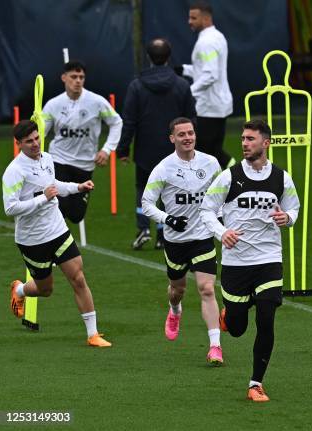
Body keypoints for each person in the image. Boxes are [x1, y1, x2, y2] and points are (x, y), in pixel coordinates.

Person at [201, 120, 300, 402]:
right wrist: (223, 232)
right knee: (238, 328)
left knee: (267, 317)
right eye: (243, 138)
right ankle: (227, 317)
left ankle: (255, 384)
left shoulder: (282, 178)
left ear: (266, 143)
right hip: (236, 263)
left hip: (269, 258)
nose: (244, 143)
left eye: (250, 139)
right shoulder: (228, 177)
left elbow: (294, 208)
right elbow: (206, 210)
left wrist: (288, 218)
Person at [4, 120, 111, 347]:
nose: (35, 144)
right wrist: (43, 197)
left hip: (57, 230)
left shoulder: (47, 158)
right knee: (45, 289)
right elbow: (10, 208)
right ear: (18, 144)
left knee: (78, 277)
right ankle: (20, 289)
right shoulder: (14, 172)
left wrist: (77, 187)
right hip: (32, 240)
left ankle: (93, 334)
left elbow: (55, 185)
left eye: (36, 138)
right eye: (28, 141)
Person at [141, 117, 224, 365]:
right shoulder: (163, 169)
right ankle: (175, 310)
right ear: (172, 139)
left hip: (203, 237)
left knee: (207, 289)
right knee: (178, 289)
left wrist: (220, 222)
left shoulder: (211, 163)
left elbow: (222, 195)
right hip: (176, 241)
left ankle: (215, 346)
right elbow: (146, 203)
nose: (187, 138)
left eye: (190, 133)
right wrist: (168, 219)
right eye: (181, 134)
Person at [117, 38, 196, 250]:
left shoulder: (136, 85)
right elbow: (191, 119)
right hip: (174, 150)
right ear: (169, 57)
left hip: (145, 149)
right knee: (169, 190)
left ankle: (143, 228)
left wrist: (123, 148)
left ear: (149, 58)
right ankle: (163, 233)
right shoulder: (181, 85)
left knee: (143, 189)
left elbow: (129, 121)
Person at [43, 60, 123, 223]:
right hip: (59, 160)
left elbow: (117, 122)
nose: (78, 80)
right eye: (74, 77)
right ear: (64, 78)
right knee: (59, 208)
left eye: (81, 77)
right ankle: (55, 243)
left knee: (76, 215)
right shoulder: (53, 104)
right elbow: (41, 132)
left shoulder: (97, 102)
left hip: (85, 164)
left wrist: (106, 150)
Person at [183, 0, 235, 169]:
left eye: (193, 18)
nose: (189, 21)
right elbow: (206, 70)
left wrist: (187, 92)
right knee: (212, 151)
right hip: (217, 104)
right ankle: (235, 177)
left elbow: (210, 75)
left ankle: (238, 174)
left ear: (205, 19)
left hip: (210, 106)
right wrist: (183, 70)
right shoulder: (217, 36)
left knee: (206, 152)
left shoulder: (207, 42)